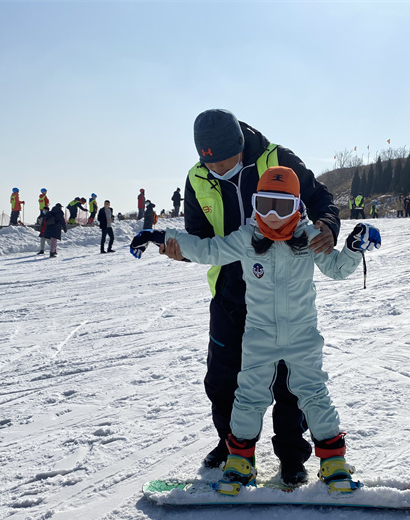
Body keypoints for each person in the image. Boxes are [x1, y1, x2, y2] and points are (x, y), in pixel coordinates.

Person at [130, 166, 380, 495]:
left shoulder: (309, 237)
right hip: (259, 337)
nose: (272, 216)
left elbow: (336, 269)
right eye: (265, 205)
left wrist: (353, 248)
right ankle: (240, 462)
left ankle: (333, 462)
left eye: (282, 207)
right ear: (254, 204)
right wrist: (162, 236)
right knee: (248, 397)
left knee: (314, 395)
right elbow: (207, 249)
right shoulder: (247, 238)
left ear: (297, 206)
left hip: (302, 337)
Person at [159, 108, 341, 485]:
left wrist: (327, 225)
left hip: (279, 289)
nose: (218, 170)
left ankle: (292, 456)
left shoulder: (277, 160)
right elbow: (202, 238)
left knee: (289, 379)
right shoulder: (198, 177)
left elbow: (321, 198)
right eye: (211, 164)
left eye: (226, 162)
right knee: (223, 378)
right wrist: (182, 251)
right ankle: (234, 449)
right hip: (229, 290)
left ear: (241, 146)